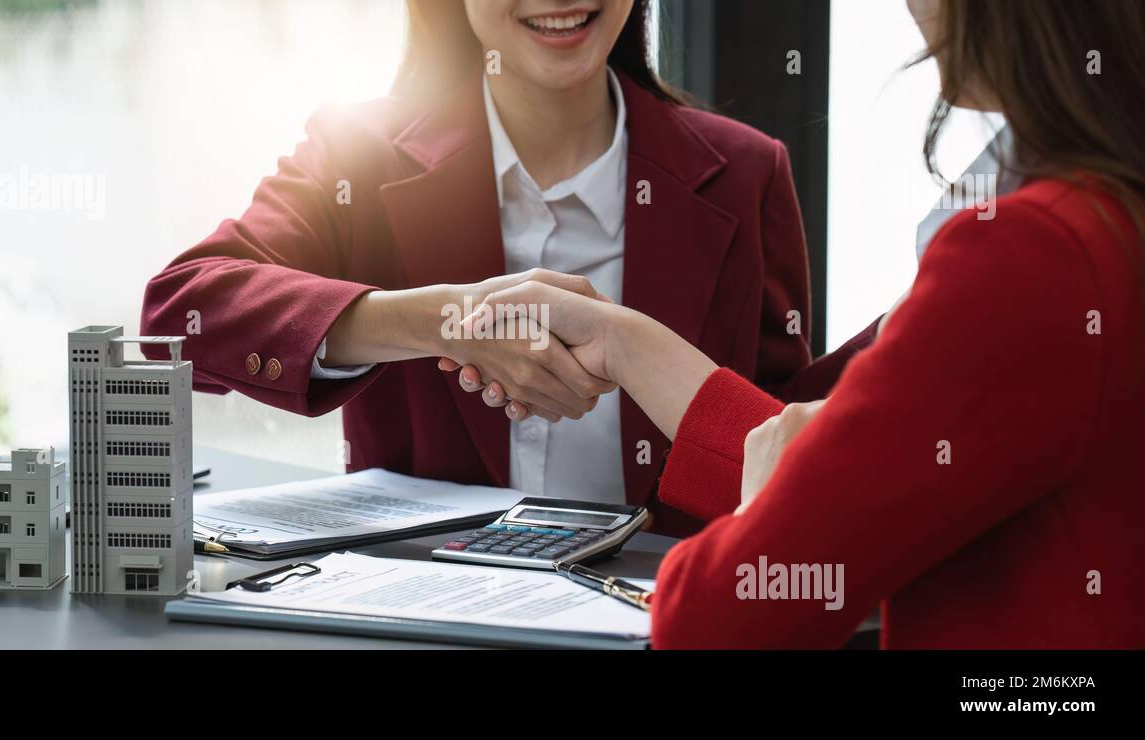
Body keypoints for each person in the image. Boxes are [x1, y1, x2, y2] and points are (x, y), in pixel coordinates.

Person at [460, 0, 1145, 647]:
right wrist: (626, 343)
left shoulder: (1023, 255)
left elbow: (723, 617)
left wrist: (763, 512)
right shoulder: (1103, 220)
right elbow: (857, 471)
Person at [141, 0, 858, 533]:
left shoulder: (743, 173)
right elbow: (181, 310)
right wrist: (440, 321)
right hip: (419, 627)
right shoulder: (356, 152)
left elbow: (771, 446)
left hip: (658, 626)